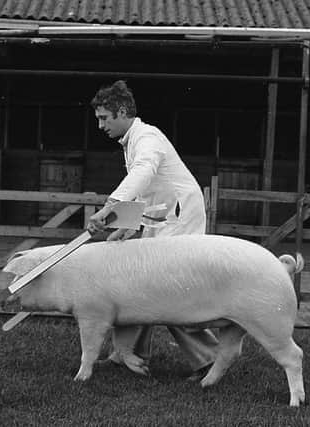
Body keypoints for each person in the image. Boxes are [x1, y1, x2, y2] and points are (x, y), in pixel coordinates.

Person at [87, 80, 217, 380]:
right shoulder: (133, 141)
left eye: (104, 118)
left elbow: (143, 174)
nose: (100, 125)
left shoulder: (147, 139)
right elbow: (147, 193)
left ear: (122, 112)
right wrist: (129, 226)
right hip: (163, 218)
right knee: (140, 283)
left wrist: (109, 208)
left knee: (167, 291)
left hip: (180, 220)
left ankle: (208, 358)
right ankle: (127, 353)